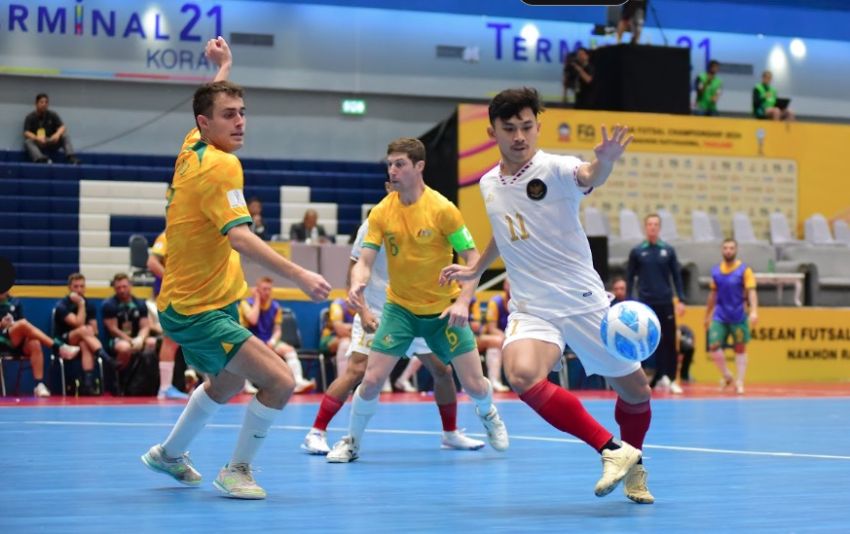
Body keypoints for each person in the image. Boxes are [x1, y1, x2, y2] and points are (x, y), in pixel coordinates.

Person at [441, 87, 654, 503]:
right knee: (521, 374)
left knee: (637, 392)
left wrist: (605, 162)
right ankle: (611, 450)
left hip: (582, 301)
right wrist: (476, 268)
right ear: (493, 132)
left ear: (537, 127)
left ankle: (635, 467)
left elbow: (589, 175)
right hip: (532, 307)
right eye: (509, 128)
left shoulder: (556, 169)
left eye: (526, 127)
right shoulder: (487, 183)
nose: (519, 136)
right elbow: (505, 231)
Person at [140, 36, 331, 500]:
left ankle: (167, 454)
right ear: (206, 124)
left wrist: (224, 66)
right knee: (281, 381)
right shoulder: (222, 167)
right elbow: (241, 237)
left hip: (198, 304)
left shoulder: (192, 146)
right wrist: (302, 275)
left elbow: (208, 102)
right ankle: (237, 470)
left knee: (224, 383)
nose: (240, 121)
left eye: (243, 112)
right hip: (197, 308)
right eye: (230, 115)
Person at [325, 137, 509, 463]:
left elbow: (471, 258)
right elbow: (364, 261)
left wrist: (463, 302)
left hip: (442, 311)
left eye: (400, 164)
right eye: (390, 164)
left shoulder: (442, 210)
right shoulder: (382, 211)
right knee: (369, 380)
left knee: (475, 384)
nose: (392, 171)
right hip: (400, 310)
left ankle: (488, 414)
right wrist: (358, 283)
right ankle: (351, 441)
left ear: (419, 166)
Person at [301, 216, 485, 455]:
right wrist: (363, 312)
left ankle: (450, 434)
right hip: (378, 311)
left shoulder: (428, 217)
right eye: (392, 180)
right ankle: (316, 432)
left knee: (443, 370)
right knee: (357, 370)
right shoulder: (373, 223)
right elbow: (353, 274)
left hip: (416, 311)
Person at [626, 213, 686, 395]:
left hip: (665, 303)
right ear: (646, 227)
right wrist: (628, 300)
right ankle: (639, 380)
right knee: (641, 341)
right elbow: (630, 278)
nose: (652, 227)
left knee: (668, 342)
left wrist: (681, 299)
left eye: (655, 224)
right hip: (645, 304)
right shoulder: (637, 252)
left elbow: (676, 276)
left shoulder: (668, 250)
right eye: (649, 224)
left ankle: (670, 378)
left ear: (659, 228)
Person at [239, 276, 316, 394]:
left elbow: (277, 329)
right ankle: (246, 386)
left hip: (267, 341)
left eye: (269, 289)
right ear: (257, 290)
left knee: (289, 350)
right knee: (242, 351)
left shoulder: (275, 307)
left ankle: (298, 382)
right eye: (264, 289)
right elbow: (253, 320)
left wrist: (273, 341)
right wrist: (257, 300)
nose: (267, 292)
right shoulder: (246, 303)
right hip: (250, 340)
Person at [704, 239, 758, 395]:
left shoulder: (744, 270)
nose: (728, 251)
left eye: (731, 248)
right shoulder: (716, 271)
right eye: (726, 248)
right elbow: (713, 294)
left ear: (736, 250)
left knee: (740, 348)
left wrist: (754, 311)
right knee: (713, 346)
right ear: (722, 250)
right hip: (720, 315)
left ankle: (740, 382)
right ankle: (727, 375)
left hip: (738, 315)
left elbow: (752, 292)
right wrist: (707, 315)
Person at [0, 290, 79, 397]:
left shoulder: (15, 302)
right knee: (23, 324)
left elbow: (20, 324)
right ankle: (58, 347)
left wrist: (11, 324)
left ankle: (38, 385)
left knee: (35, 342)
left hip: (15, 339)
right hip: (2, 342)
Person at [146, 231, 191, 399]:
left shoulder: (189, 236)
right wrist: (172, 281)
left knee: (181, 339)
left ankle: (169, 386)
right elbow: (151, 262)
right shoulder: (167, 236)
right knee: (170, 339)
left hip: (186, 294)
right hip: (172, 295)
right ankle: (164, 388)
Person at [54, 273, 111, 395]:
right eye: (76, 286)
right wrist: (81, 305)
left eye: (81, 286)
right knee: (82, 330)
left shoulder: (90, 305)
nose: (79, 290)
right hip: (63, 343)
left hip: (83, 340)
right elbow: (78, 323)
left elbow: (95, 330)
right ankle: (105, 357)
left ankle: (87, 385)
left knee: (84, 343)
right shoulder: (62, 305)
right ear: (69, 288)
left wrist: (89, 330)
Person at [102, 273, 157, 373]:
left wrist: (140, 338)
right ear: (114, 288)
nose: (122, 290)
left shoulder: (139, 303)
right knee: (125, 347)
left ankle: (147, 378)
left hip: (136, 337)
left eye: (124, 287)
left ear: (130, 286)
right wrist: (131, 341)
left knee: (152, 343)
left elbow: (145, 326)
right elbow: (113, 330)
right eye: (118, 288)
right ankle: (122, 378)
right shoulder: (109, 305)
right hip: (116, 340)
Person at [23, 93, 79, 164]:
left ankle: (71, 157)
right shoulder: (30, 117)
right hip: (38, 142)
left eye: (46, 102)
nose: (44, 104)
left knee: (65, 136)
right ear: (36, 104)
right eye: (42, 102)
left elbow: (62, 127)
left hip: (51, 141)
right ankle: (41, 159)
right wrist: (37, 138)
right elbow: (26, 132)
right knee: (27, 142)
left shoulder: (52, 114)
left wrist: (57, 135)